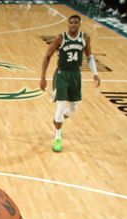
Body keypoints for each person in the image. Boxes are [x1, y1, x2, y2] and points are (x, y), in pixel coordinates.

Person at [39, 15, 101, 153]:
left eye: (76, 23)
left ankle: (57, 120)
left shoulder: (85, 38)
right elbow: (47, 56)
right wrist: (43, 78)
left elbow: (89, 56)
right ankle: (57, 137)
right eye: (71, 22)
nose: (73, 25)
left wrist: (95, 73)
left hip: (75, 74)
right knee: (60, 106)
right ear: (68, 24)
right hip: (62, 74)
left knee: (74, 108)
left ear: (79, 24)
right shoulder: (61, 38)